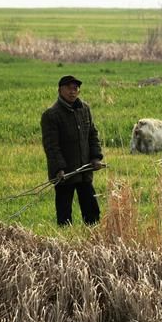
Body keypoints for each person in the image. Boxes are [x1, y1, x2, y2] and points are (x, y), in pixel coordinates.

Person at [41, 75, 104, 226]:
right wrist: (59, 169)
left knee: (92, 209)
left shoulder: (84, 109)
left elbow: (92, 134)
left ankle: (93, 236)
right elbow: (51, 145)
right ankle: (65, 240)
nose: (72, 91)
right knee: (64, 212)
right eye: (68, 88)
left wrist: (96, 158)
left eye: (75, 88)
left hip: (84, 169)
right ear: (60, 90)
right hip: (65, 173)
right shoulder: (51, 115)